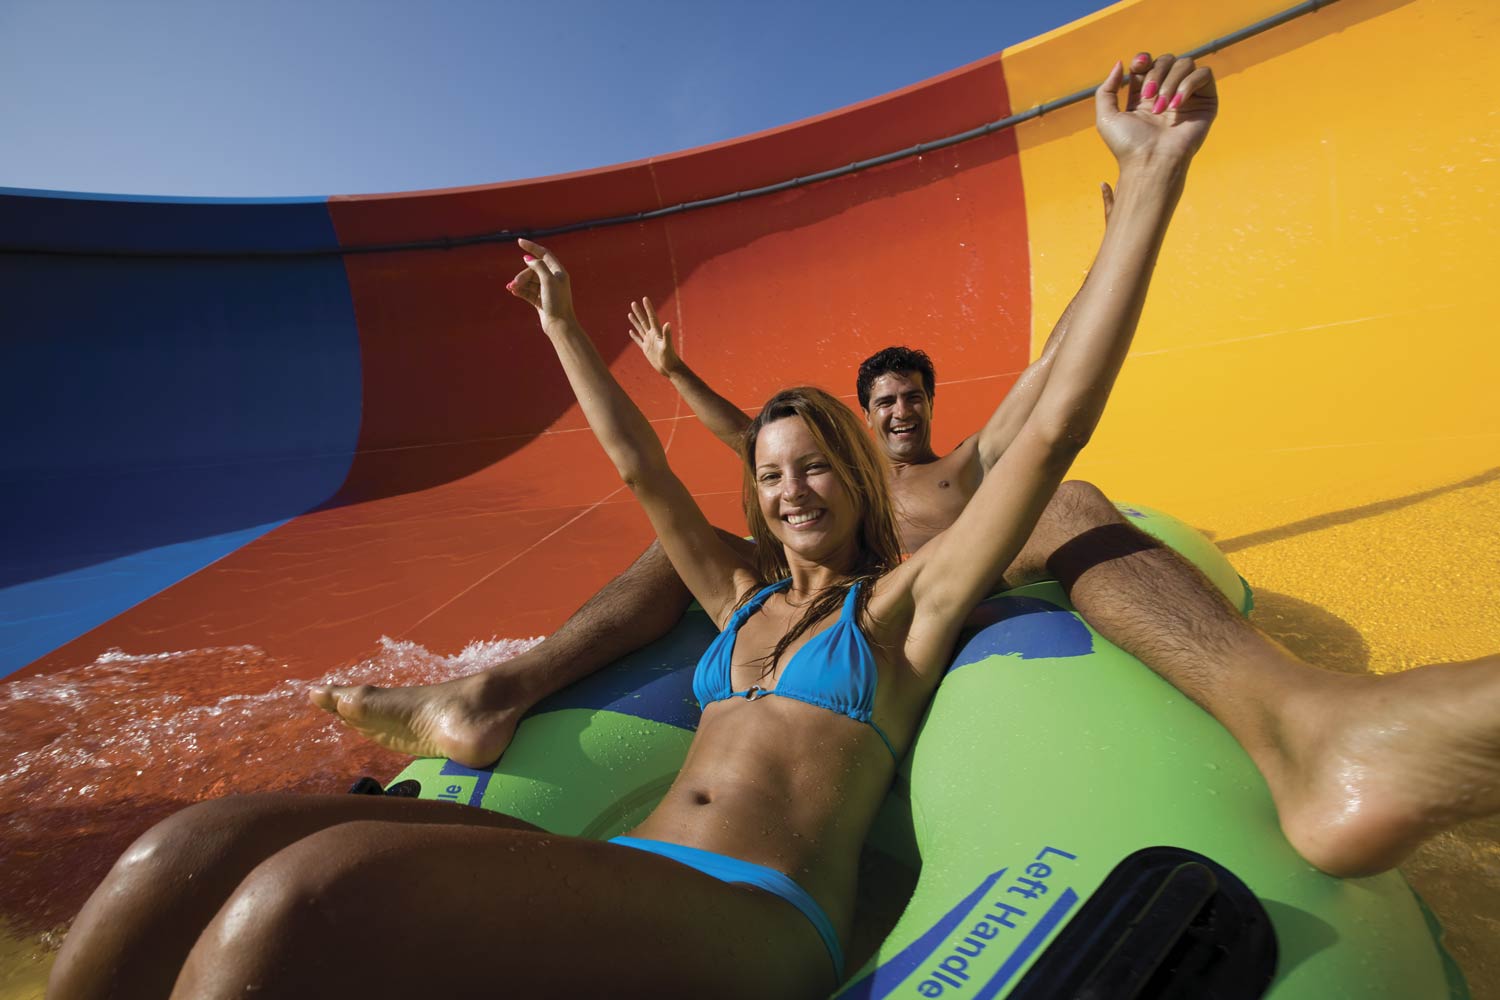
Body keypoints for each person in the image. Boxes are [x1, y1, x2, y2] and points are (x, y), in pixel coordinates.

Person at [50, 52, 1236, 999]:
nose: (792, 491)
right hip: (630, 874)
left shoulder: (899, 610)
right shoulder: (737, 601)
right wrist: (564, 324)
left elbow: (1052, 431)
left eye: (817, 468)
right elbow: (638, 465)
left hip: (761, 912)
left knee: (306, 897)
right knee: (188, 852)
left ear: (858, 480)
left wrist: (1150, 183)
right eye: (772, 475)